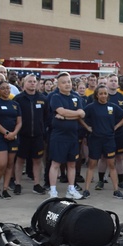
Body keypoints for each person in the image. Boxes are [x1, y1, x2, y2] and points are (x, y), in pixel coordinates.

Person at [79, 85, 123, 199]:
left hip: (109, 139)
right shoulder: (91, 107)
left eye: (105, 93)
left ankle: (116, 190)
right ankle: (86, 190)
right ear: (96, 95)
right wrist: (87, 127)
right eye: (101, 93)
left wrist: (117, 126)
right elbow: (80, 117)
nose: (103, 95)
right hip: (95, 139)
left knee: (112, 164)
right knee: (92, 164)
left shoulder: (112, 107)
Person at [46, 72, 86, 200]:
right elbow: (61, 111)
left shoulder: (76, 97)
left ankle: (71, 189)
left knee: (72, 164)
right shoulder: (55, 97)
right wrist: (73, 114)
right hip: (59, 136)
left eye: (69, 81)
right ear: (58, 85)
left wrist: (65, 117)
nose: (67, 84)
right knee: (56, 163)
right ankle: (52, 190)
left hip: (73, 136)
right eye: (64, 82)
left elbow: (82, 114)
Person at [0, 79, 22, 199]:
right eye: (3, 88)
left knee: (10, 164)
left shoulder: (15, 104)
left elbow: (19, 122)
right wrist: (6, 132)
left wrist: (14, 133)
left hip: (13, 137)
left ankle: (5, 189)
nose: (6, 90)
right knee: (1, 163)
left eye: (8, 88)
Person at [15, 74, 49, 194]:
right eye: (30, 81)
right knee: (20, 160)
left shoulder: (43, 98)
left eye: (34, 81)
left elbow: (46, 117)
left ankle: (37, 184)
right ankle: (17, 184)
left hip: (38, 135)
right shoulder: (18, 99)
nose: (32, 83)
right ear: (24, 83)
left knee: (37, 160)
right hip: (22, 135)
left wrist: (43, 130)